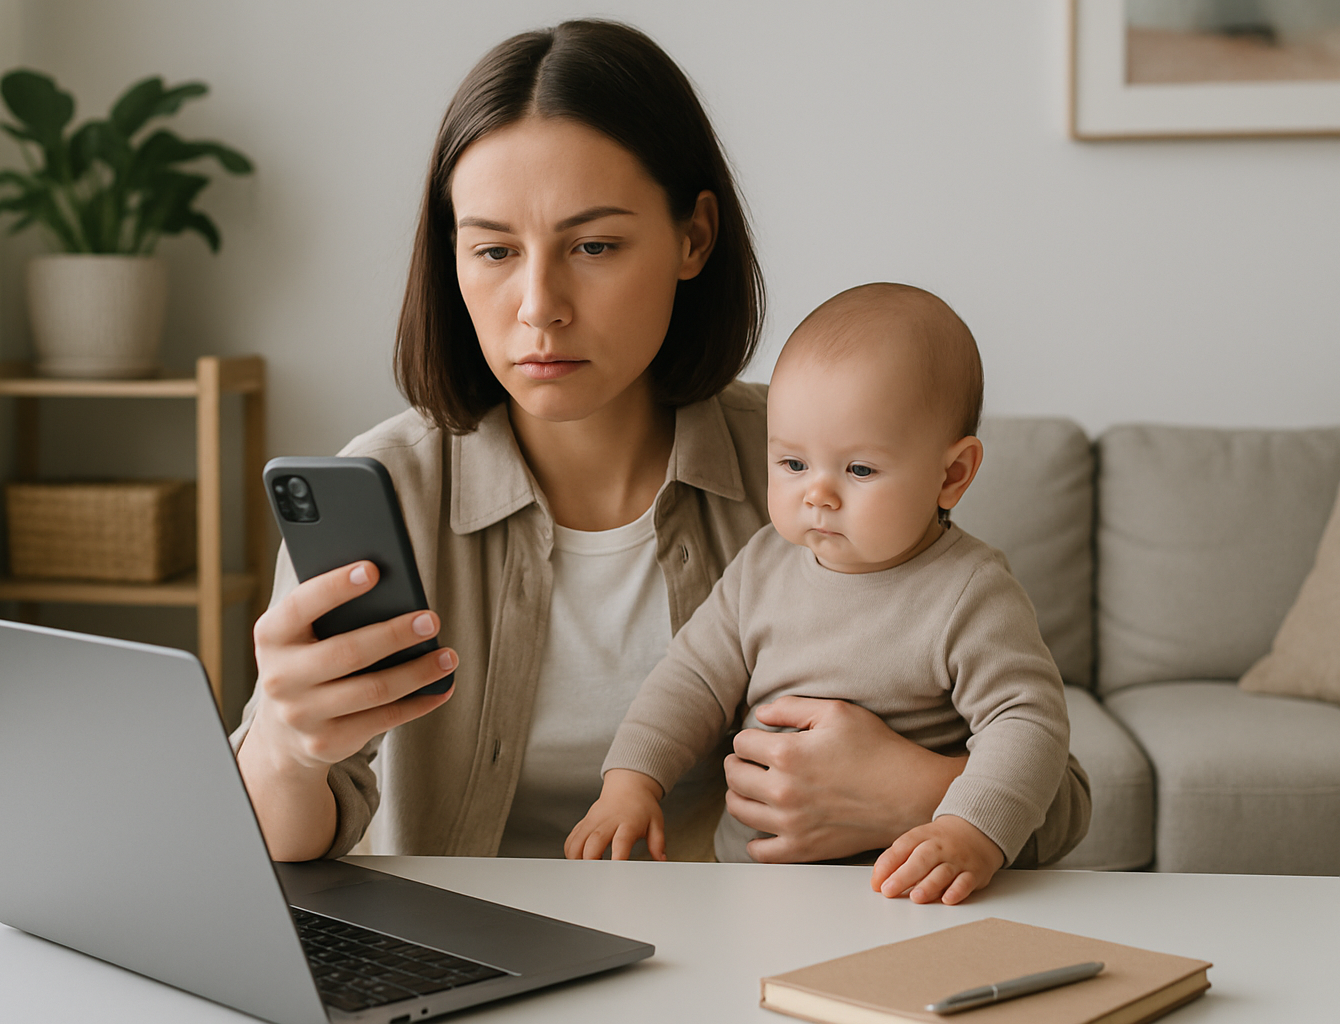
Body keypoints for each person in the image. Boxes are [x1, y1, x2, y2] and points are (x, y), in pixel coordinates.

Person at [232, 19, 1091, 866]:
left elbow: (1063, 810)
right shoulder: (387, 490)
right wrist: (282, 742)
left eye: (595, 244)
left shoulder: (811, 474)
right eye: (493, 250)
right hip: (462, 969)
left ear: (694, 237)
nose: (539, 305)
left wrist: (913, 794)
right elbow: (280, 849)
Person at [566, 284, 1076, 905]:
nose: (819, 495)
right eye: (792, 464)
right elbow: (690, 679)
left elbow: (1026, 722)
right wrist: (631, 783)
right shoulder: (763, 565)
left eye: (859, 470)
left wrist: (967, 828)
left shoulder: (970, 592)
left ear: (952, 475)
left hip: (906, 893)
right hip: (751, 886)